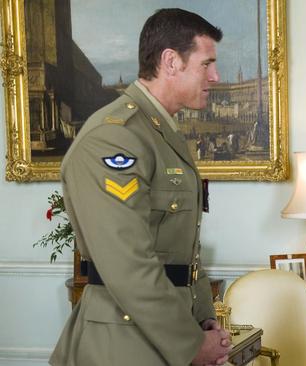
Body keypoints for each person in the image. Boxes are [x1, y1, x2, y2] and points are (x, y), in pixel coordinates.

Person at [49, 9, 232, 366]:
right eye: (206, 63)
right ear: (171, 62)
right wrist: (191, 344)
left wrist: (203, 317)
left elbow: (181, 251)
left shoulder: (159, 133)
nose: (215, 76)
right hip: (124, 344)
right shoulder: (116, 136)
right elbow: (128, 264)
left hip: (163, 335)